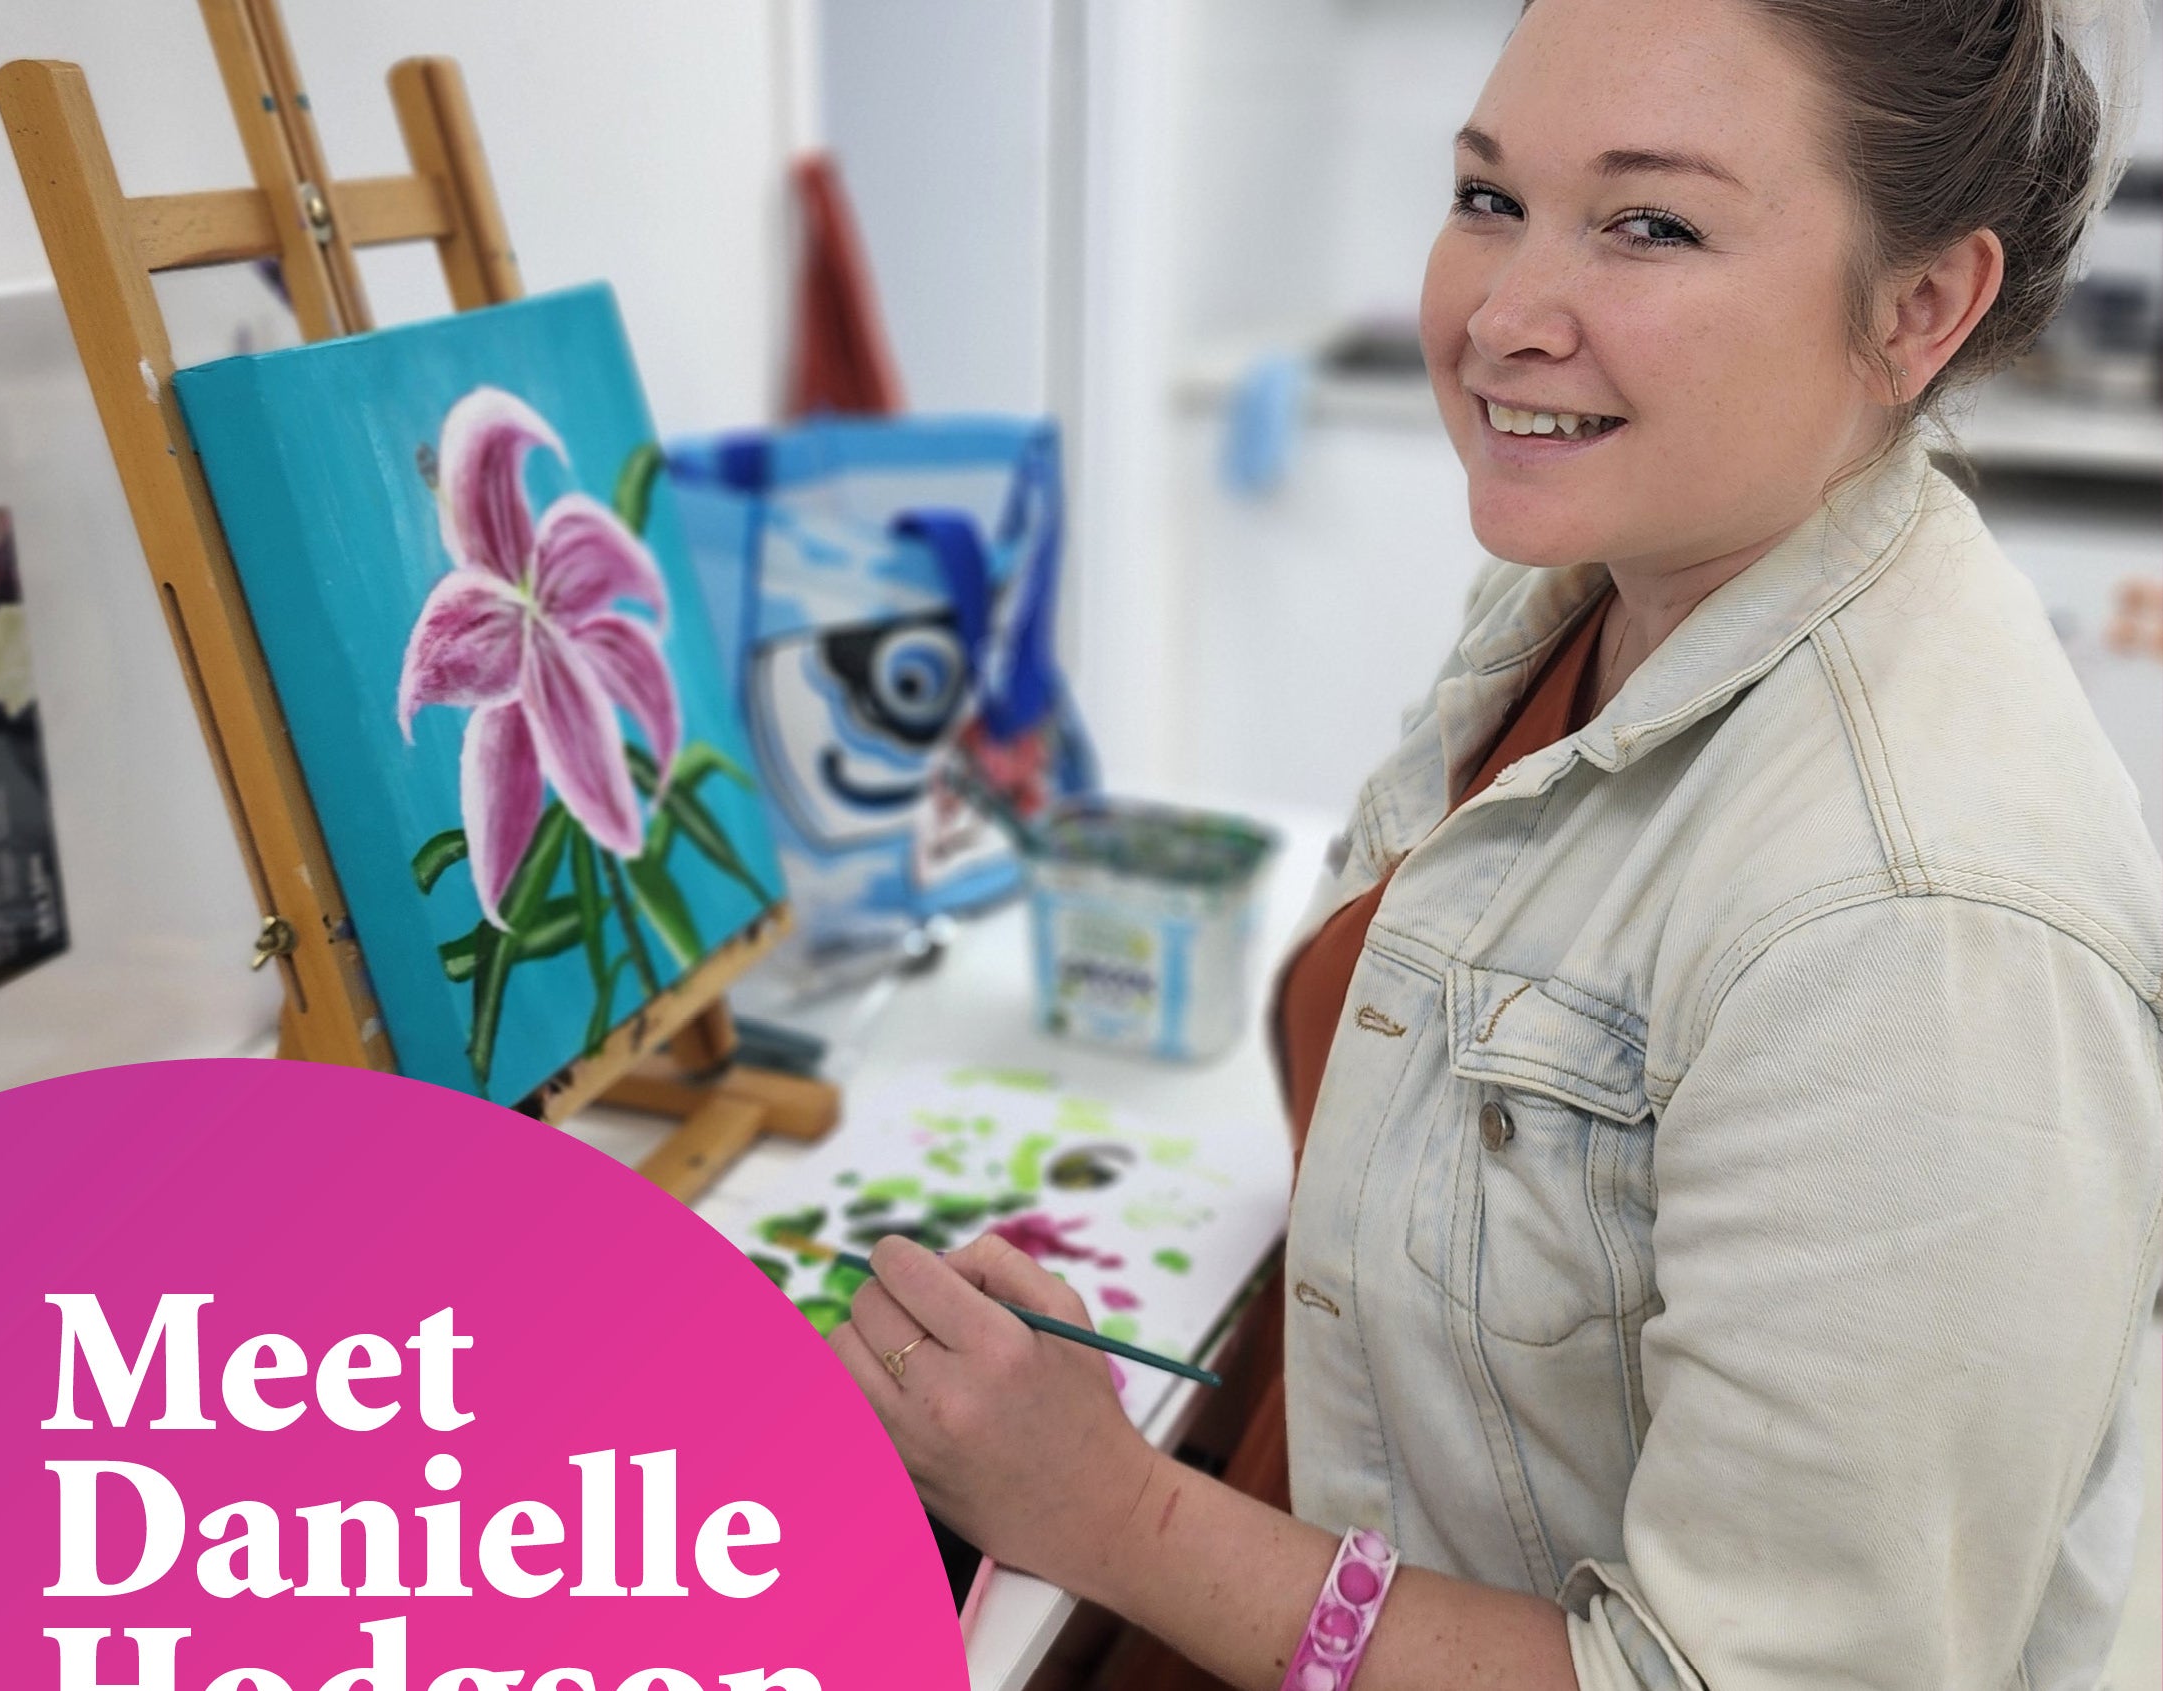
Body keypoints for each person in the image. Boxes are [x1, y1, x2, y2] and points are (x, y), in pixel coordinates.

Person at [829, 0, 2163, 1684]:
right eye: (1484, 198)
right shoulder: (1602, 587)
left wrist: (1111, 1515)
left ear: (1919, 307)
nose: (1498, 318)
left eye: (1648, 225)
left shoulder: (1919, 932)